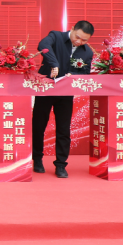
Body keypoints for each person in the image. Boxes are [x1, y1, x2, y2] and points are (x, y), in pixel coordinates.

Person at [31, 21, 95, 178]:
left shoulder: (87, 52)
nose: (79, 42)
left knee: (63, 129)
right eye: (77, 37)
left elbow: (85, 73)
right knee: (38, 126)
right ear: (72, 29)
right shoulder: (56, 36)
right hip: (45, 90)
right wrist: (54, 64)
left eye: (84, 40)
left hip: (66, 94)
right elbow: (43, 45)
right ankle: (37, 159)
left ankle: (61, 164)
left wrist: (74, 75)